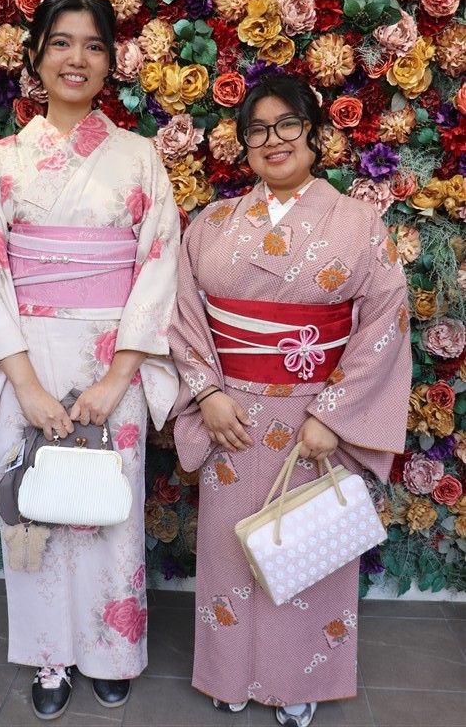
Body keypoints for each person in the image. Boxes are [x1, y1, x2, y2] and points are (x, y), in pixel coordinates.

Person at [0, 0, 180, 721]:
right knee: (36, 505)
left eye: (92, 45)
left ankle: (111, 652)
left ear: (110, 62)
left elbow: (159, 265)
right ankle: (49, 654)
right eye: (60, 42)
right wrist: (24, 386)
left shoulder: (139, 157)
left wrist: (119, 378)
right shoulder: (5, 161)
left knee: (107, 509)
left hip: (115, 357)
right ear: (35, 57)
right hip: (30, 355)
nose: (75, 58)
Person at [168, 74, 411, 727]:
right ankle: (227, 673)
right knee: (229, 546)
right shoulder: (213, 223)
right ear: (243, 145)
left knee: (306, 549)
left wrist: (334, 416)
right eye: (257, 130)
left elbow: (385, 321)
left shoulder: (358, 223)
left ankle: (296, 679)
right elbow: (182, 312)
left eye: (287, 125)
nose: (272, 140)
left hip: (314, 413)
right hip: (230, 413)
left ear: (314, 134)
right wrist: (205, 392)